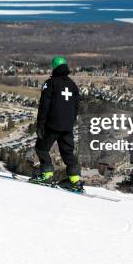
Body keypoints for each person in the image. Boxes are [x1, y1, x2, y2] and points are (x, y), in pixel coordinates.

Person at [31, 55, 83, 191]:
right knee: (67, 153)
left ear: (54, 67)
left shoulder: (50, 83)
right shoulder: (72, 85)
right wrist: (70, 122)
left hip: (52, 124)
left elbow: (44, 105)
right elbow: (77, 106)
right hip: (68, 126)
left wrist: (41, 124)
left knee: (41, 148)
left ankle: (47, 175)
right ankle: (75, 180)